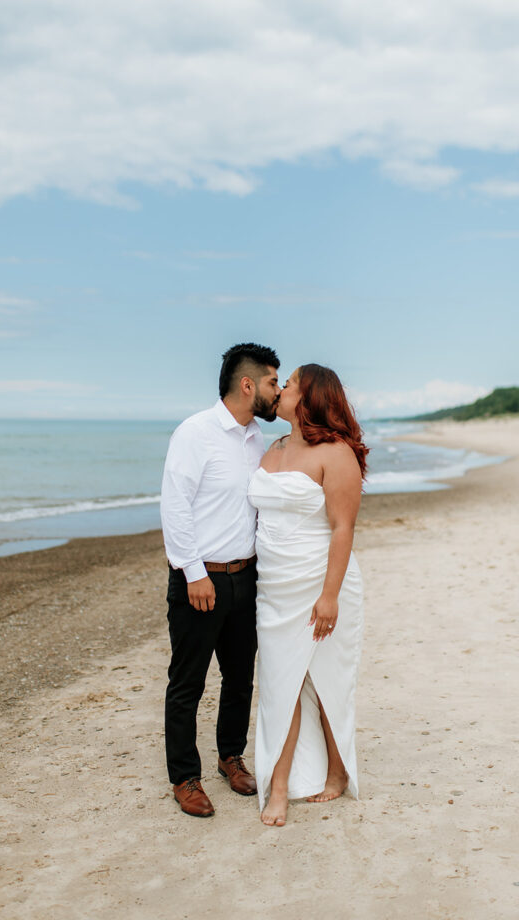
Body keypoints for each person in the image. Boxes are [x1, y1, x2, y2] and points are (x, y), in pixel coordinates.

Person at [161, 342, 280, 817]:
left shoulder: (256, 439)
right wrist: (193, 573)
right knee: (187, 682)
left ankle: (230, 756)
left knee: (240, 678)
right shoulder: (196, 432)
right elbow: (175, 506)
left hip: (245, 578)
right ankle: (185, 777)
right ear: (248, 384)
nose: (279, 390)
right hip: (200, 580)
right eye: (273, 381)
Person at [248, 363, 368, 826]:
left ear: (310, 398)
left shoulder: (336, 452)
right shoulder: (273, 447)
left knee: (327, 680)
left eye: (289, 384)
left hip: (322, 581)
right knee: (284, 684)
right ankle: (285, 783)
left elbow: (343, 528)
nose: (279, 390)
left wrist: (330, 596)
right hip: (274, 588)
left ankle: (325, 776)